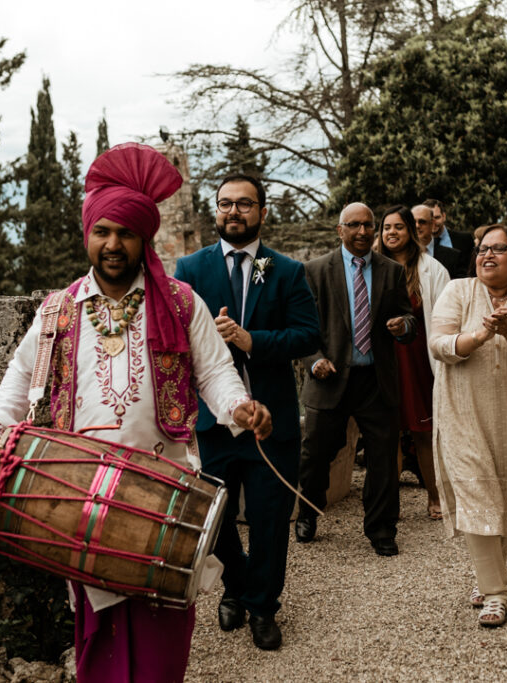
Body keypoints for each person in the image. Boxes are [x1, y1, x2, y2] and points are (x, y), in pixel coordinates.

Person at [0, 143, 272, 682]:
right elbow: (19, 379)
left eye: (126, 234)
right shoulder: (58, 310)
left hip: (162, 491)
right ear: (88, 236)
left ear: (144, 239)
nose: (113, 245)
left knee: (163, 635)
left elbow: (214, 372)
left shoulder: (182, 304)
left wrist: (240, 407)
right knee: (98, 636)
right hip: (78, 495)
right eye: (103, 232)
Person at [174, 173, 319, 650]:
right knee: (215, 519)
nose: (233, 212)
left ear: (262, 211)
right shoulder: (190, 270)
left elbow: (307, 336)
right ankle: (235, 587)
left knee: (269, 518)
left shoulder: (286, 270)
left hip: (270, 418)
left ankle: (262, 606)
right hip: (211, 422)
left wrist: (250, 340)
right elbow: (174, 342)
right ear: (215, 211)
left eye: (244, 204)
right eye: (225, 204)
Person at [428, 224, 507, 627]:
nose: (488, 255)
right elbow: (439, 344)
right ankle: (496, 593)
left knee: (503, 496)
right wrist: (480, 334)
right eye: (483, 249)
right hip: (460, 412)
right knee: (478, 495)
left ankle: (487, 577)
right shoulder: (457, 291)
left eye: (499, 249)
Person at [297, 203, 416, 556]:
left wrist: (404, 326)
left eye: (369, 225)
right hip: (329, 378)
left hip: (376, 380)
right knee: (315, 453)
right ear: (340, 230)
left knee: (382, 459)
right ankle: (308, 510)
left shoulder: (392, 271)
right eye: (354, 225)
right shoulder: (314, 271)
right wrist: (314, 360)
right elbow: (303, 329)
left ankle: (381, 529)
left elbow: (408, 320)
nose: (363, 232)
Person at [374, 205, 450, 519]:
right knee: (385, 433)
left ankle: (436, 495)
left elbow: (447, 317)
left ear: (411, 232)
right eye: (387, 227)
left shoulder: (432, 269)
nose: (392, 233)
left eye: (399, 227)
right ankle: (389, 503)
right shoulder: (372, 267)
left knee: (424, 432)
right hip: (382, 359)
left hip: (418, 359)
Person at [424, 198, 473, 277]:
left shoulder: (465, 240)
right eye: (428, 219)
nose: (432, 223)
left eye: (437, 217)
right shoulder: (416, 244)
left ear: (444, 216)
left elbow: (472, 271)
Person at [412, 203, 462, 278]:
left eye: (422, 222)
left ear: (432, 223)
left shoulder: (453, 256)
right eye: (413, 222)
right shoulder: (399, 254)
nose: (417, 226)